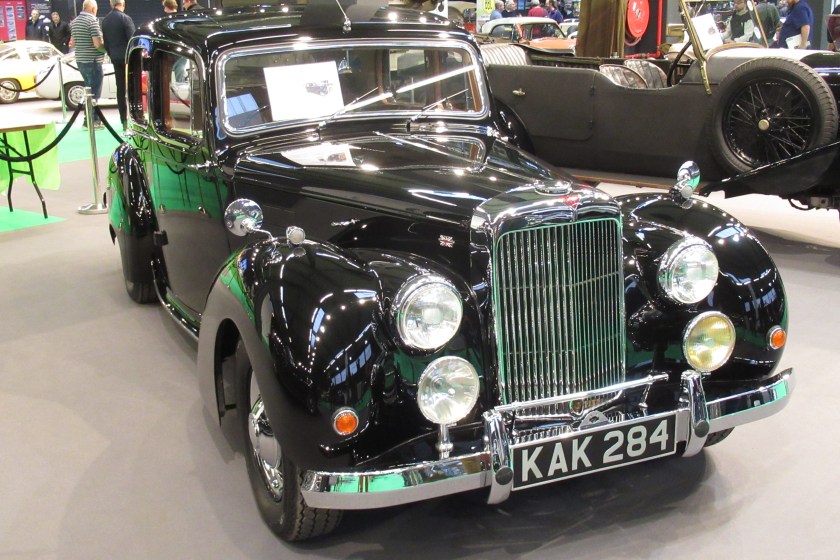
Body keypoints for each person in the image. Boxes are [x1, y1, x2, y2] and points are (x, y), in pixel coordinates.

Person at [70, 0, 106, 128]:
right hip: (93, 61)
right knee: (94, 93)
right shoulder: (92, 22)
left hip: (81, 60)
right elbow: (98, 44)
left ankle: (88, 119)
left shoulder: (74, 22)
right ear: (93, 9)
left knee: (88, 90)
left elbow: (73, 43)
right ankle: (92, 120)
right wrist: (107, 49)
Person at [102, 0, 136, 129]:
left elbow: (106, 43)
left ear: (111, 4)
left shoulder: (105, 20)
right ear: (123, 4)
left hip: (115, 58)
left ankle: (123, 121)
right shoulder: (126, 19)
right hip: (128, 60)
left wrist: (112, 54)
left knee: (120, 90)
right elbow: (132, 41)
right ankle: (135, 118)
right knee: (132, 89)